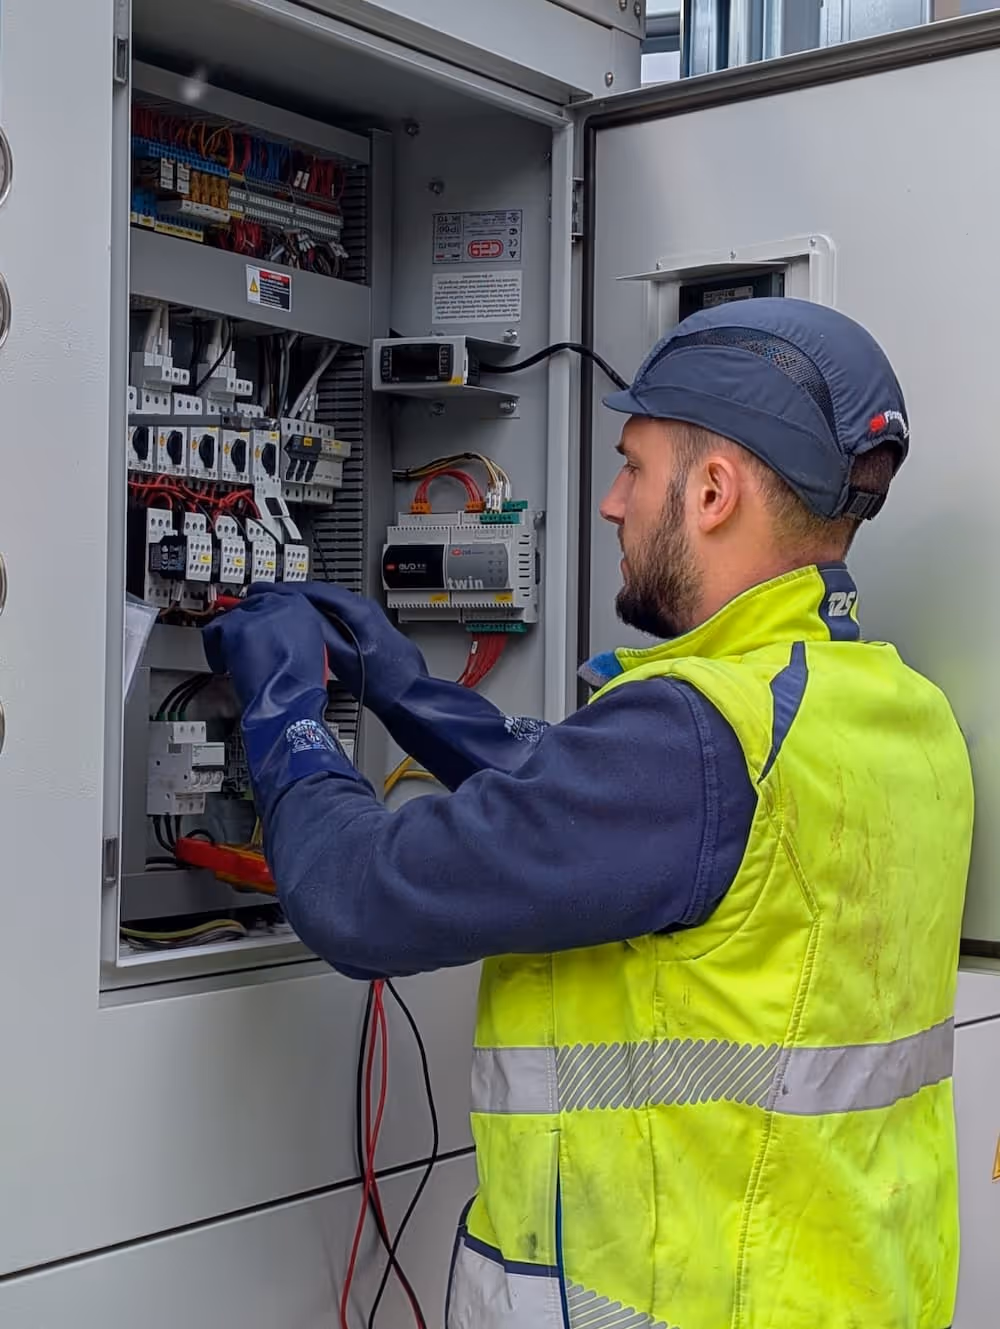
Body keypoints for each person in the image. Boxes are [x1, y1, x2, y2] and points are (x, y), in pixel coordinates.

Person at [205, 298, 974, 1329]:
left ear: (710, 491)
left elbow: (356, 898)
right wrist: (408, 691)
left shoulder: (696, 740)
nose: (611, 504)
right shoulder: (890, 714)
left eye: (632, 468)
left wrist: (284, 713)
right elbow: (598, 813)